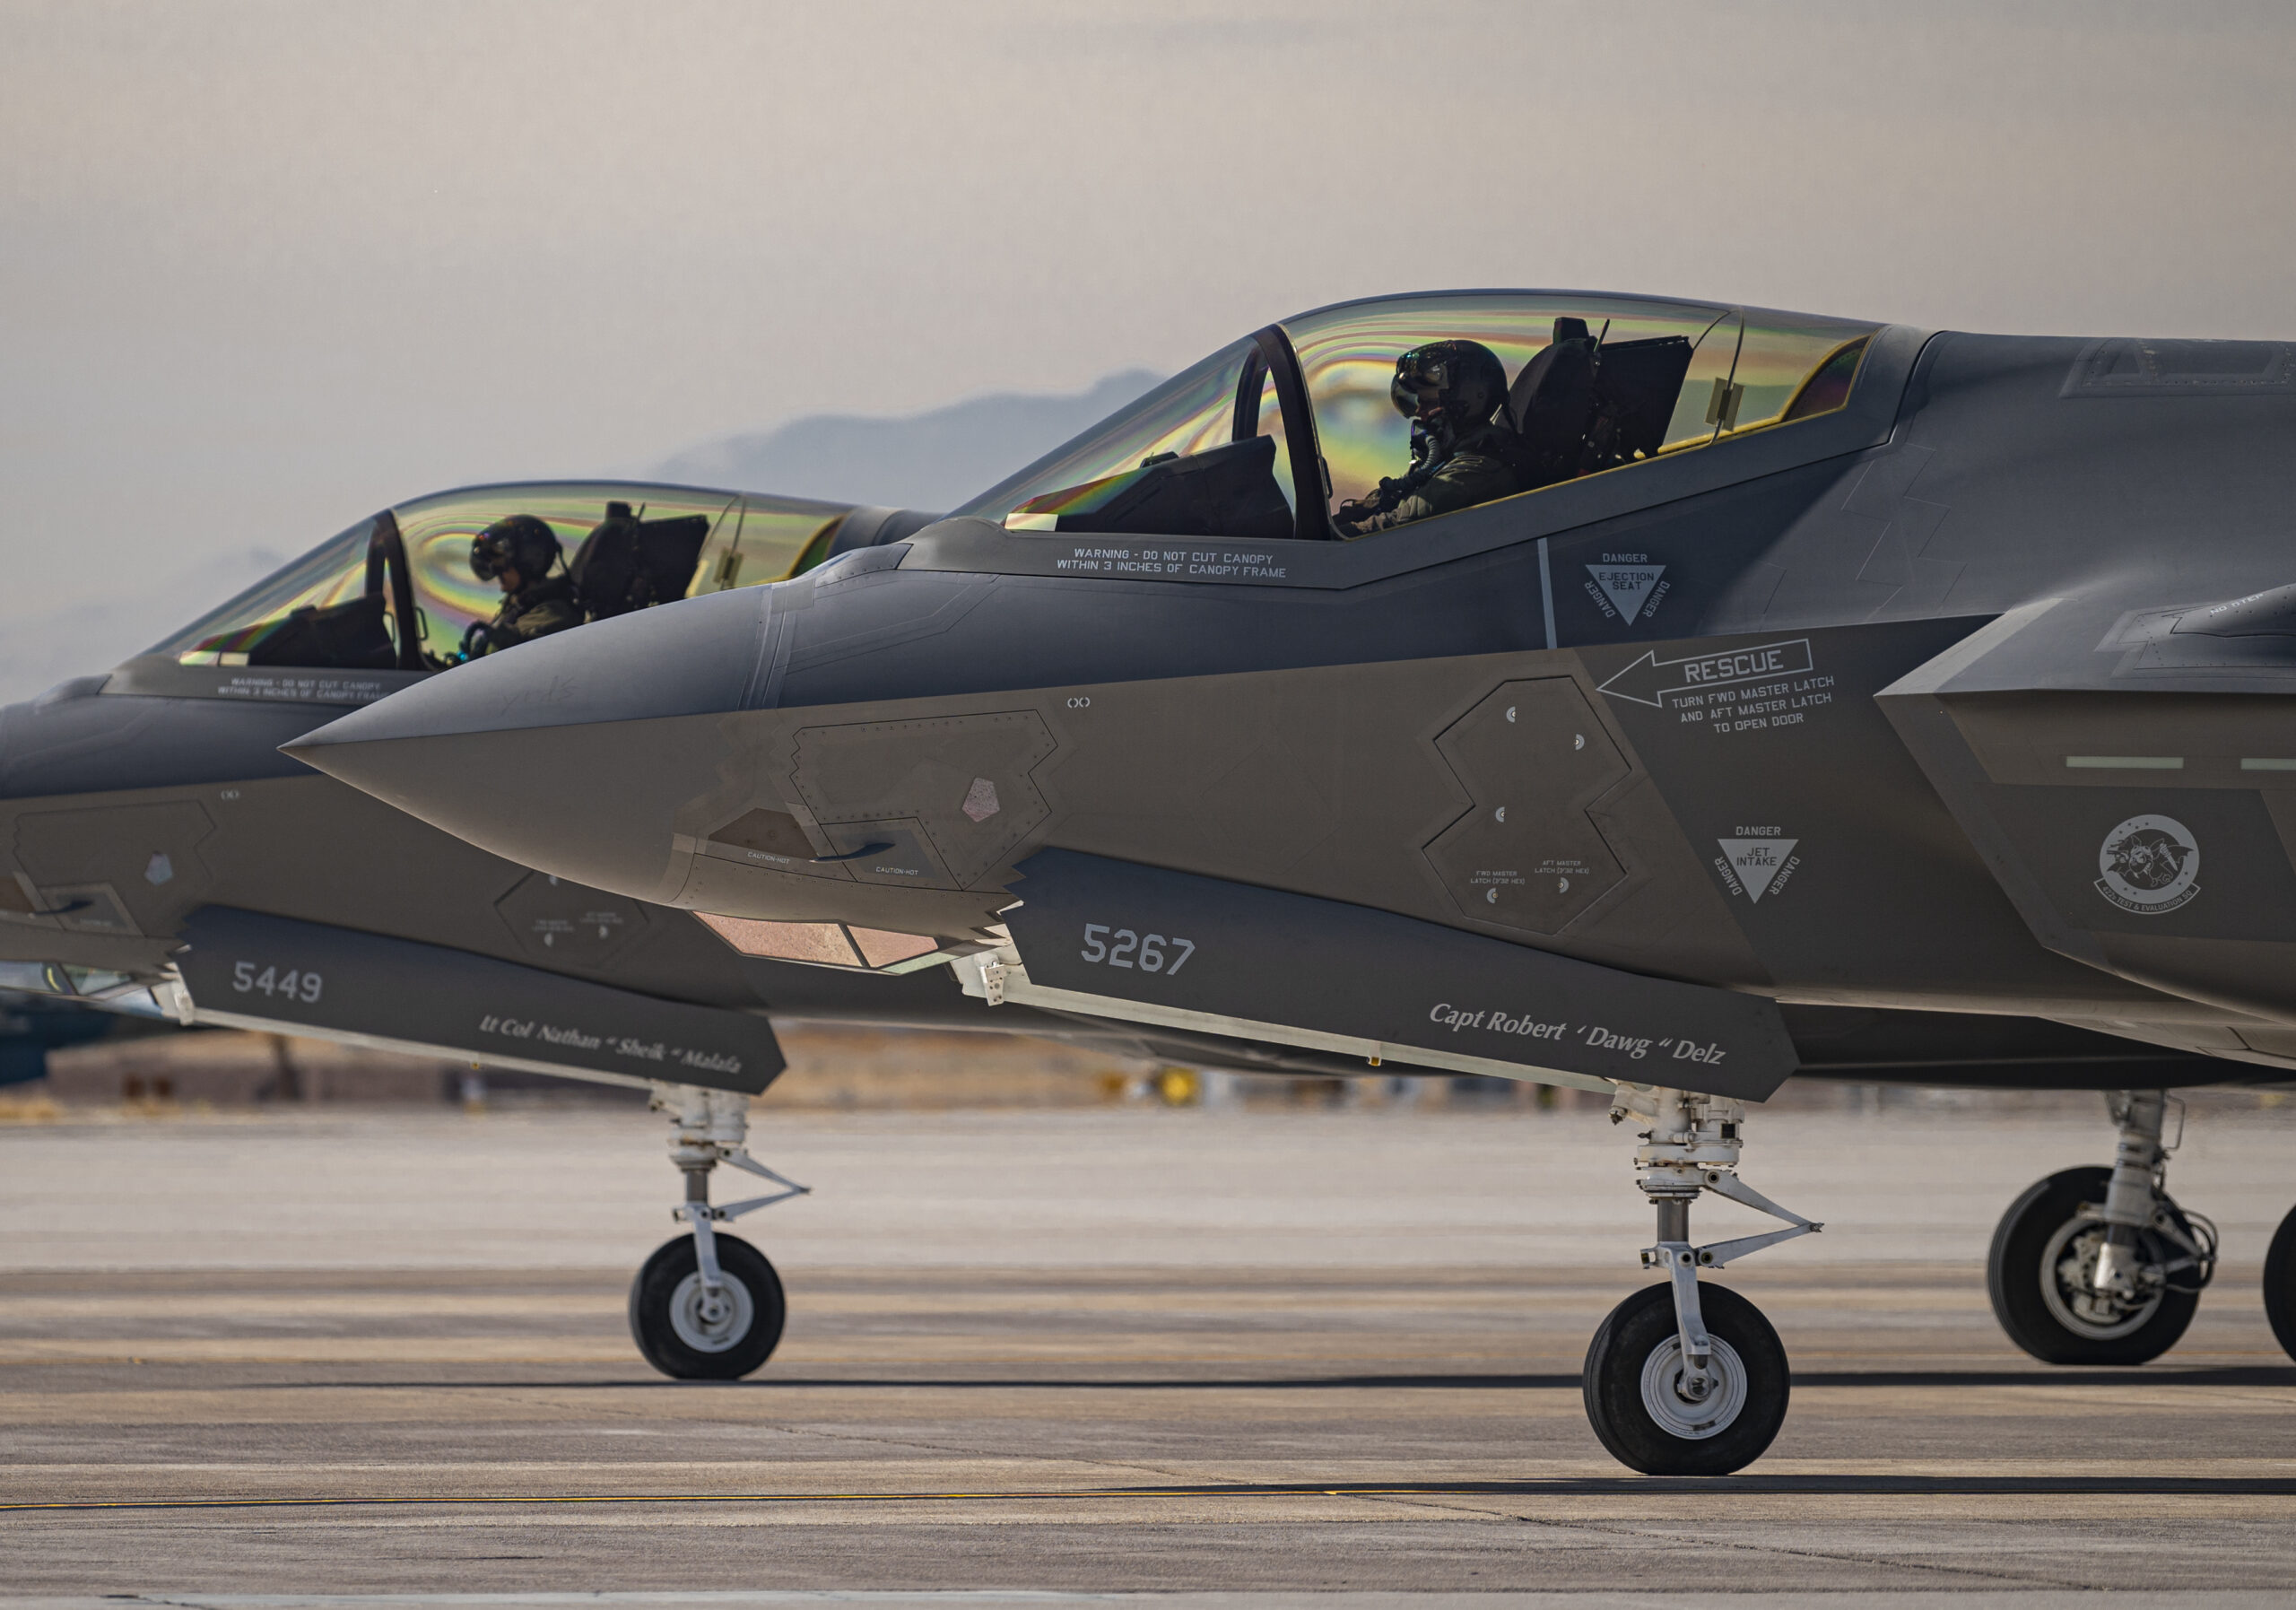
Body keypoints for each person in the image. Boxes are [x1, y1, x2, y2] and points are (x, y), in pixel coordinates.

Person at [1331, 340, 1519, 538]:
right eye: (1419, 402)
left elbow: (1398, 524)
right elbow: (1386, 499)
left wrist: (1335, 536)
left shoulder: (1475, 471)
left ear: (1464, 405)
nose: (1419, 412)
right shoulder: (1443, 462)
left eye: (1429, 403)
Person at [463, 515, 581, 657]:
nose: (497, 573)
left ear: (529, 562)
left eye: (502, 568)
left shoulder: (555, 616)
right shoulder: (519, 605)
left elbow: (525, 658)